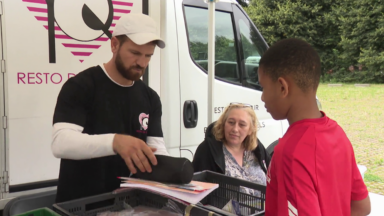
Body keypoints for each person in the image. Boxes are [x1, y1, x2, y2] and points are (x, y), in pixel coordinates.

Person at [51, 13, 169, 203]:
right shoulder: (82, 86)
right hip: (80, 205)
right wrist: (115, 142)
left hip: (129, 206)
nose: (142, 63)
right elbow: (60, 143)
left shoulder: (150, 98)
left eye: (149, 55)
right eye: (135, 53)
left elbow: (156, 150)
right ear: (114, 45)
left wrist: (174, 177)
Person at [259, 38, 370, 216]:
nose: (262, 97)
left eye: (263, 87)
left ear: (282, 87)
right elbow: (361, 206)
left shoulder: (291, 152)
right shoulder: (338, 134)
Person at [192, 103, 271, 196]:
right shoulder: (208, 149)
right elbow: (196, 189)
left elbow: (273, 175)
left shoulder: (257, 148)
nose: (235, 129)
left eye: (242, 125)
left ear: (250, 130)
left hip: (263, 208)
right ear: (223, 124)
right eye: (231, 122)